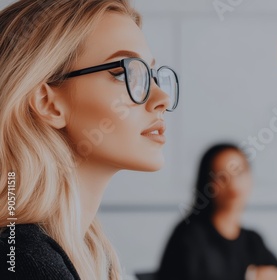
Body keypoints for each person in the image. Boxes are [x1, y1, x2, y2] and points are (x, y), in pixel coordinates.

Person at [0, 0, 179, 279]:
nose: (162, 98)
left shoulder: (86, 254)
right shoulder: (22, 260)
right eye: (123, 74)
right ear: (48, 103)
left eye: (152, 75)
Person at [156, 143, 277, 280]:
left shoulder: (253, 241)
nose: (233, 185)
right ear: (207, 184)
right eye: (222, 177)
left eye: (240, 172)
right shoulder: (189, 235)